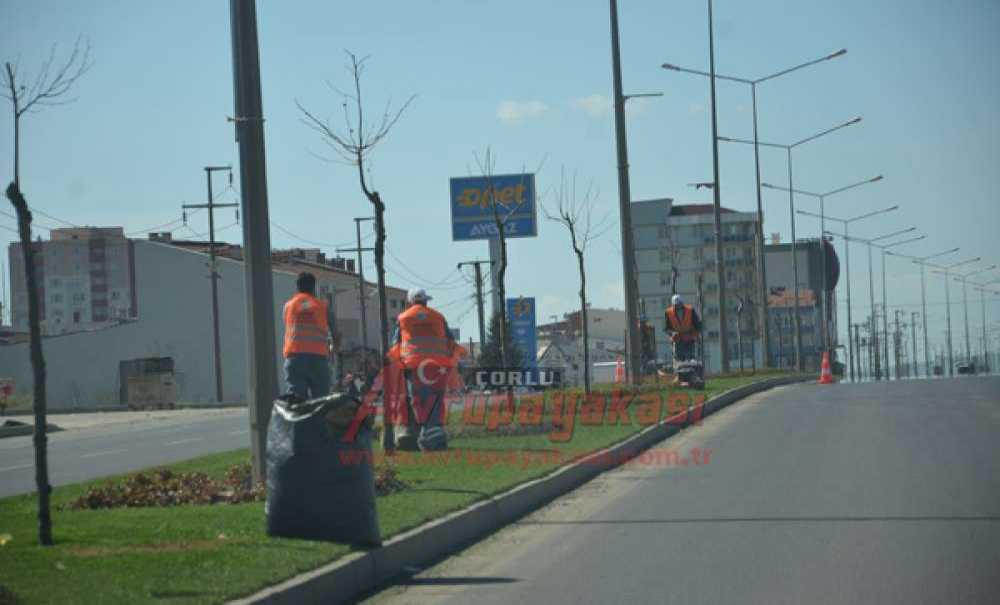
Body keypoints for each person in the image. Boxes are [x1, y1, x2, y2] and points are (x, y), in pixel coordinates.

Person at [392, 287, 457, 451]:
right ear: (426, 301)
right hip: (437, 366)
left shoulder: (403, 318)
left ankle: (420, 435)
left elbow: (395, 344)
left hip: (413, 367)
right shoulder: (438, 317)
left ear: (410, 302)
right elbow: (451, 341)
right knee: (435, 400)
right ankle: (434, 436)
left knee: (417, 401)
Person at [282, 272, 337, 400]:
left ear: (297, 287)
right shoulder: (323, 307)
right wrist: (334, 350)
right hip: (318, 360)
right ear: (314, 287)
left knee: (296, 402)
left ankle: (299, 419)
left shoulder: (288, 306)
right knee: (321, 402)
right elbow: (336, 334)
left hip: (295, 359)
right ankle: (319, 420)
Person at [664, 294, 702, 364]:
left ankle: (692, 370)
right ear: (673, 305)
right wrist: (672, 333)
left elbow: (698, 325)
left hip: (689, 339)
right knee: (679, 360)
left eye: (679, 304)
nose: (677, 306)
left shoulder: (690, 310)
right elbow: (666, 328)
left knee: (691, 359)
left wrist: (695, 334)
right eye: (675, 305)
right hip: (677, 340)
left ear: (682, 303)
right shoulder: (668, 312)